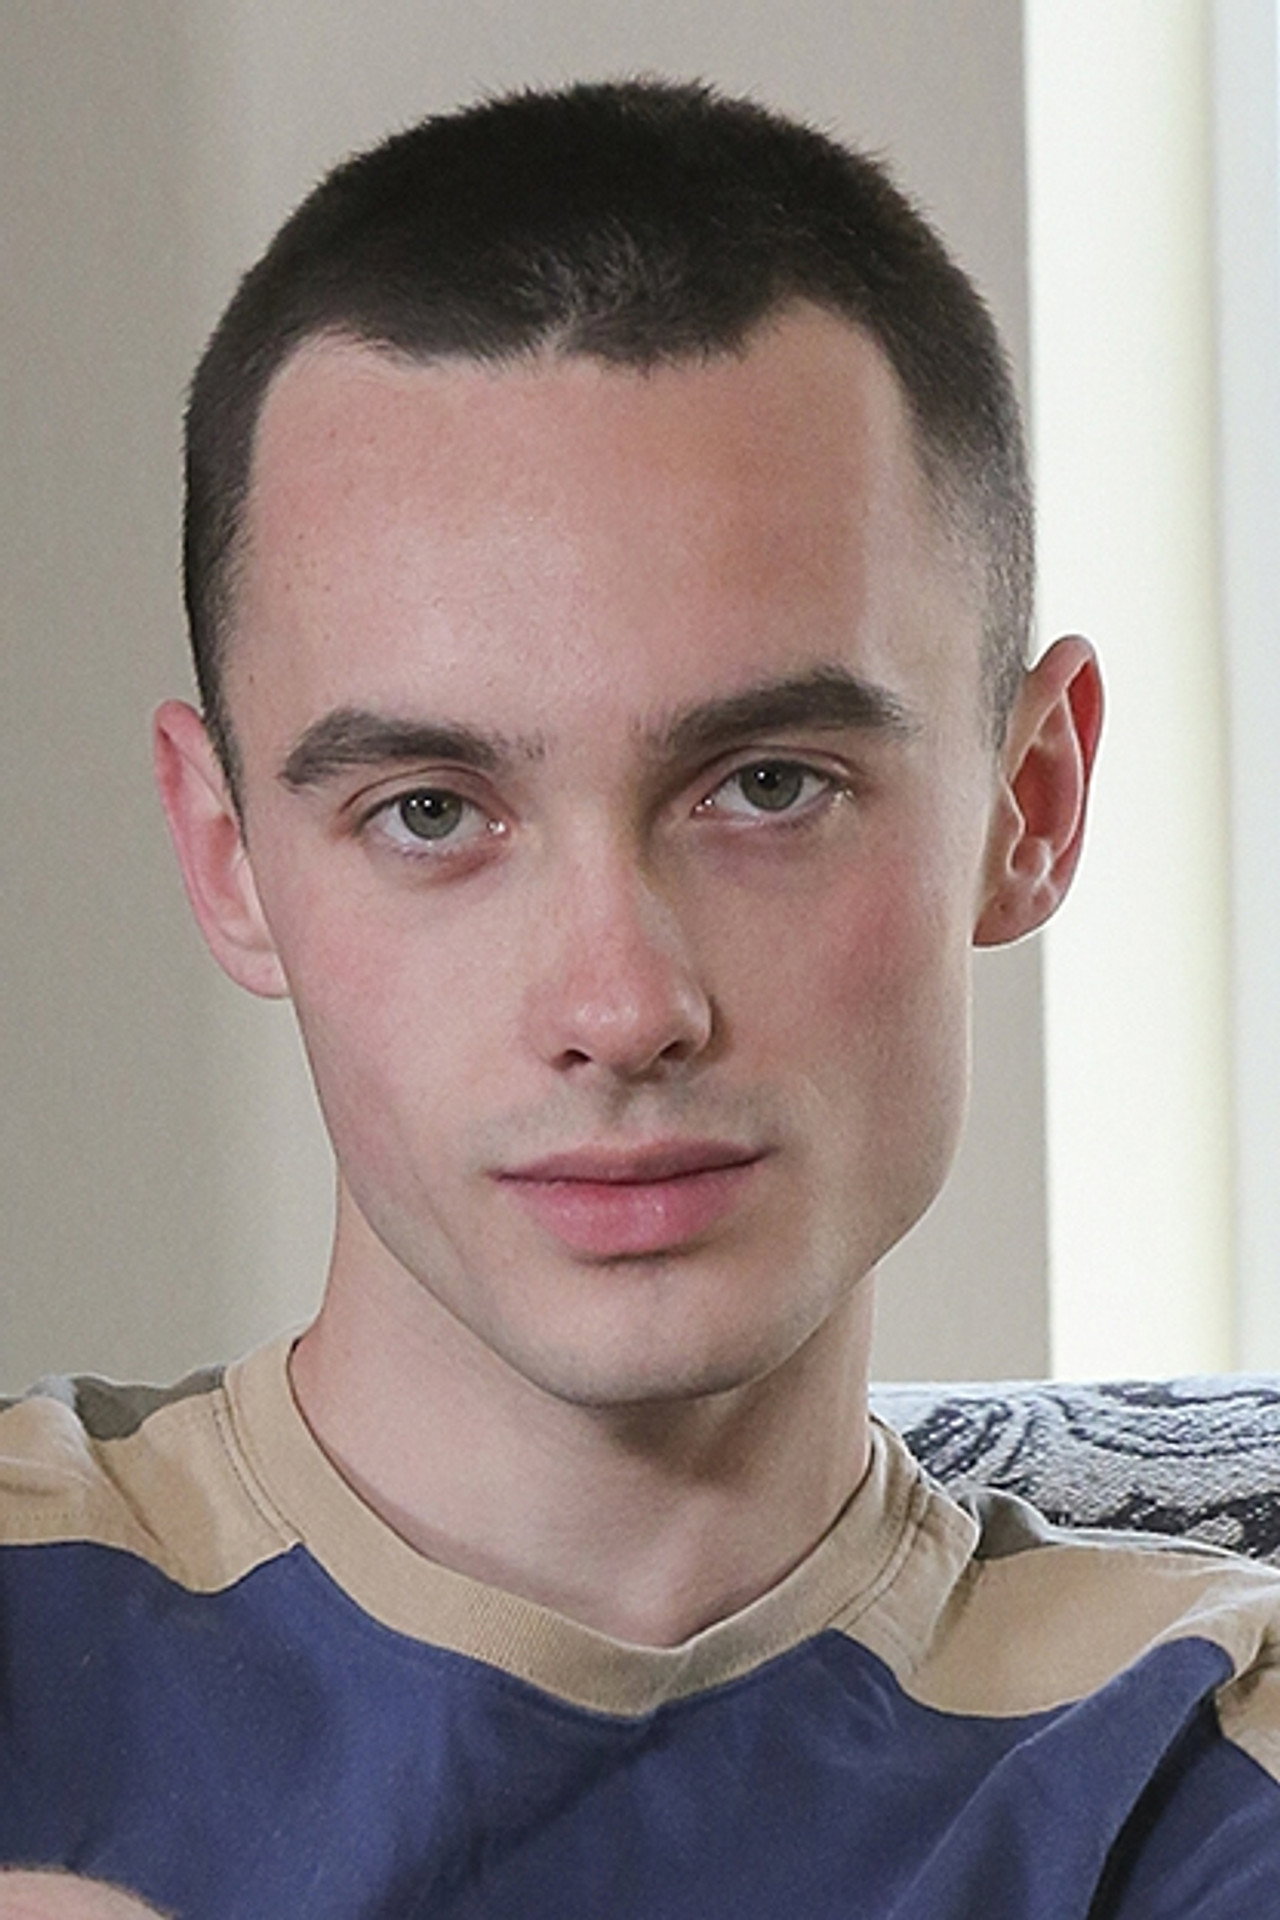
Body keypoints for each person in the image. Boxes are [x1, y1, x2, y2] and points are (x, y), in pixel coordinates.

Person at [1, 77, 1276, 1919]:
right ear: (228, 855)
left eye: (767, 785)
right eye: (429, 811)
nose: (620, 1006)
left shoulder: (1198, 1761)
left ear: (1032, 801)